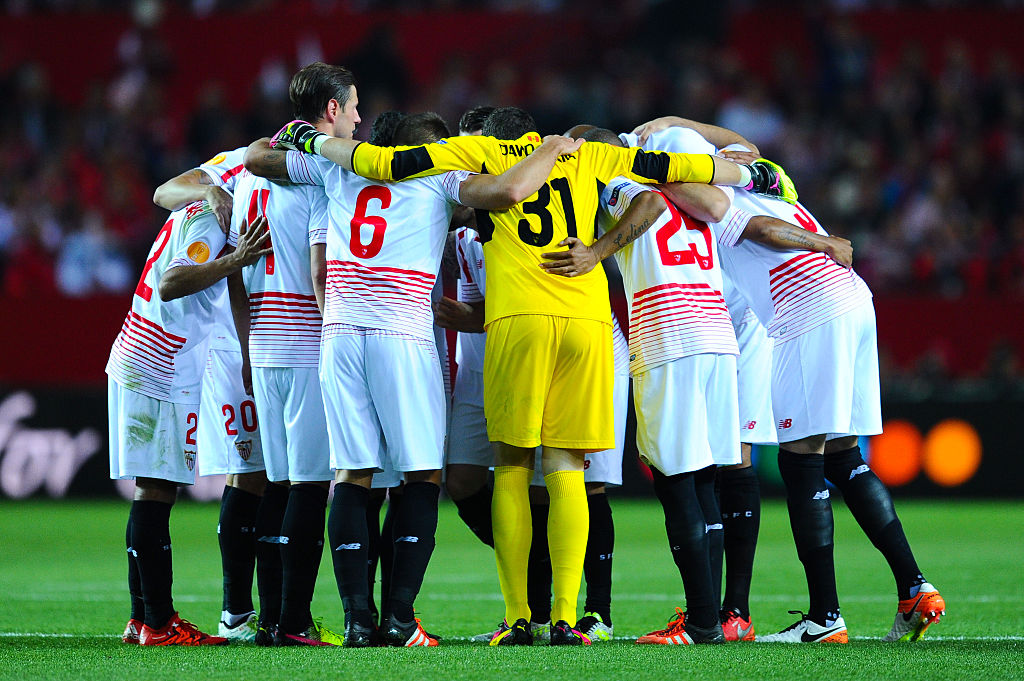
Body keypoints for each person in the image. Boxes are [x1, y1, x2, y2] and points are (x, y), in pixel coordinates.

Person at [267, 104, 796, 646]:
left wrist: (306, 140)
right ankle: (568, 619)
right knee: (570, 470)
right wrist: (603, 248)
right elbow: (660, 188)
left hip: (517, 320)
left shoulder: (478, 152)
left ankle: (521, 616)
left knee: (512, 468)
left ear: (492, 137)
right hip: (587, 322)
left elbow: (383, 163)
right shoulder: (588, 152)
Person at [244, 67, 583, 647]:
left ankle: (357, 620)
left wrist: (316, 141)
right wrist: (551, 150)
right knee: (422, 474)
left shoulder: (335, 166)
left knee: (351, 474)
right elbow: (506, 191)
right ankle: (400, 619)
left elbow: (256, 157)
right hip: (401, 333)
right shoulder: (437, 177)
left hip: (340, 334)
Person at [633, 117, 945, 644]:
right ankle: (914, 587)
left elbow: (754, 230)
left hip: (807, 304)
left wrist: (820, 242)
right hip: (852, 298)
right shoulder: (759, 171)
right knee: (845, 456)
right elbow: (742, 145)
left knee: (803, 461)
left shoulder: (696, 192)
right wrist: (673, 121)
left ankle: (826, 617)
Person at [108, 199, 270, 646]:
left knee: (150, 487)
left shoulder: (189, 209)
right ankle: (160, 624)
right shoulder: (209, 222)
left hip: (140, 351)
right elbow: (171, 281)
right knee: (158, 489)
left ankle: (142, 618)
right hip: (159, 362)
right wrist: (236, 259)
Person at [153, 148, 269, 644]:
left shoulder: (320, 167)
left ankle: (258, 613)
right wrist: (209, 189)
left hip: (272, 330)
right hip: (232, 335)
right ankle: (237, 612)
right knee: (251, 470)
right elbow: (164, 192)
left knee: (268, 474)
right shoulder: (241, 163)